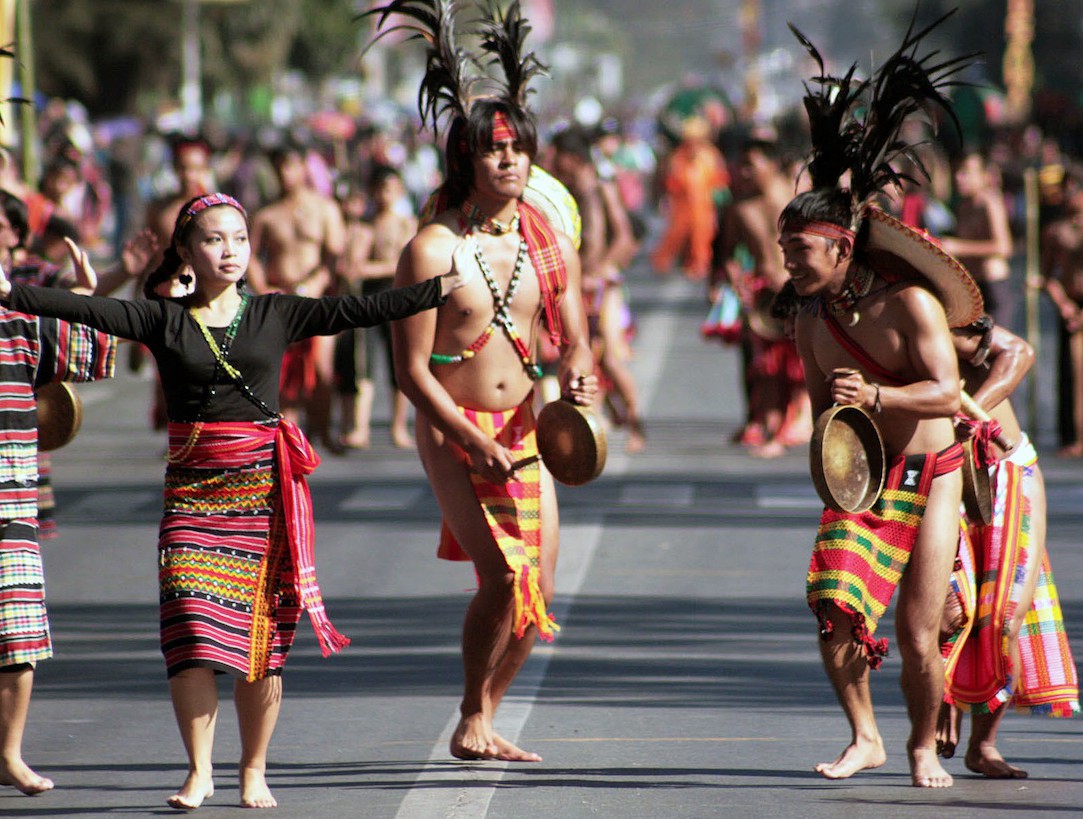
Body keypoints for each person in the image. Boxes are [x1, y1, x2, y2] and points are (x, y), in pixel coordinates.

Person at [0, 192, 465, 809]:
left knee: (260, 642)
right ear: (188, 252)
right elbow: (90, 313)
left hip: (262, 498)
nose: (230, 250)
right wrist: (11, 293)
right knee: (190, 627)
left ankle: (253, 768)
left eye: (240, 239)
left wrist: (437, 289)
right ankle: (199, 770)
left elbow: (360, 307)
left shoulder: (276, 313)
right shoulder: (163, 318)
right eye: (216, 240)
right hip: (191, 499)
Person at [367, 0, 597, 762]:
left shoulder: (546, 239)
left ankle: (483, 716)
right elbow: (409, 373)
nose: (508, 160)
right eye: (493, 149)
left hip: (526, 430)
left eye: (518, 149)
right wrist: (470, 437)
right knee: (501, 577)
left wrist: (579, 373)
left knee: (537, 599)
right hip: (453, 430)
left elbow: (575, 329)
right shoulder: (429, 249)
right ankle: (470, 709)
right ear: (466, 159)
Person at [782, 16, 980, 788]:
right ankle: (863, 734)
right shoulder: (805, 317)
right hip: (863, 476)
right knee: (832, 605)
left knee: (916, 634)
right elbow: (816, 410)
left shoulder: (910, 306)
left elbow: (948, 391)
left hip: (930, 470)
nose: (790, 264)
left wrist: (877, 391)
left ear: (841, 247)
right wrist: (828, 467)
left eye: (802, 252)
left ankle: (922, 747)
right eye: (784, 251)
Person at [0, 190, 118, 796]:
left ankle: (9, 754)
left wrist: (86, 299)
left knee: (17, 641)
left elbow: (92, 362)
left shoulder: (19, 328)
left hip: (9, 507)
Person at [937, 316, 1079, 777]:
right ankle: (944, 701)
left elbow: (1018, 351)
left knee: (1003, 615)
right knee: (946, 613)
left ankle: (984, 745)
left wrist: (973, 409)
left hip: (1004, 470)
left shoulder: (935, 317)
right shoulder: (863, 333)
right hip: (936, 475)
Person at [549, 126, 645, 452]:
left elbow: (625, 238)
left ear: (573, 159)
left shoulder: (602, 189)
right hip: (578, 287)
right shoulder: (564, 194)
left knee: (614, 360)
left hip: (604, 288)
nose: (552, 162)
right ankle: (600, 422)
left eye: (557, 157)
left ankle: (635, 424)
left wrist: (601, 269)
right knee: (586, 357)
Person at [249, 141, 347, 451]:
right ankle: (289, 439)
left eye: (290, 166)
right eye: (279, 169)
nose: (285, 175)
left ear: (304, 166)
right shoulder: (267, 214)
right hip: (281, 299)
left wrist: (319, 280)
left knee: (320, 369)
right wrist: (262, 287)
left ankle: (323, 430)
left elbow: (334, 255)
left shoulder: (324, 208)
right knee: (284, 374)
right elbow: (249, 255)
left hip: (316, 300)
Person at [716, 136, 811, 457]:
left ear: (772, 165)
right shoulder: (738, 210)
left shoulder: (799, 199)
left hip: (801, 288)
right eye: (740, 165)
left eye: (751, 165)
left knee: (801, 362)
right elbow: (727, 254)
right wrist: (736, 281)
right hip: (764, 297)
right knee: (766, 365)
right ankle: (768, 422)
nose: (743, 173)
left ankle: (798, 417)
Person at [334, 167, 418, 449]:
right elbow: (352, 265)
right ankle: (360, 426)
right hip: (369, 300)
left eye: (390, 189)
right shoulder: (363, 226)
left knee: (399, 363)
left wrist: (371, 268)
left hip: (396, 295)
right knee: (363, 362)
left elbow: (404, 262)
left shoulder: (406, 224)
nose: (384, 195)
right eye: (379, 189)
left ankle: (398, 426)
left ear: (399, 191)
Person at [939, 151, 1016, 331]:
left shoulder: (989, 203)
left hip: (993, 284)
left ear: (983, 176)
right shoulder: (963, 206)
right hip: (973, 286)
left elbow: (1003, 246)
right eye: (957, 172)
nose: (959, 178)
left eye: (966, 172)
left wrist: (959, 247)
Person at [650, 116, 729, 280]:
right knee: (675, 234)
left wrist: (718, 195)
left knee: (702, 235)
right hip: (681, 204)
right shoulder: (678, 157)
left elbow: (720, 179)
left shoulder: (711, 155)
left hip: (704, 205)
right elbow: (670, 180)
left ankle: (699, 264)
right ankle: (663, 261)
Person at [1039, 165, 1083, 456]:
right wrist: (1064, 304)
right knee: (1074, 372)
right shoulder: (1056, 230)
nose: (1068, 196)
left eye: (1074, 190)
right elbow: (1048, 276)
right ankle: (1075, 437)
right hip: (1071, 307)